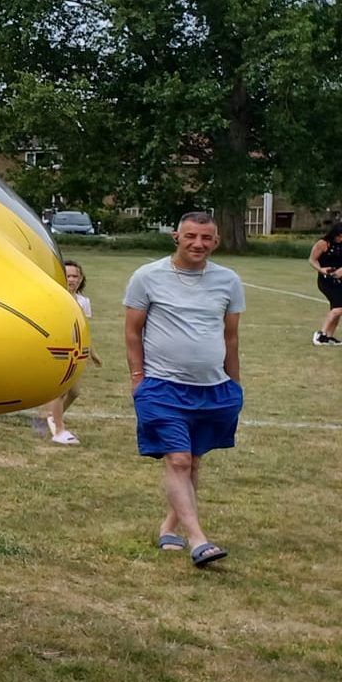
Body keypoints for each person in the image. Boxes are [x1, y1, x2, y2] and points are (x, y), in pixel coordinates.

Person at [122, 212, 245, 567]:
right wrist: (137, 378)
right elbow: (132, 332)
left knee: (193, 461)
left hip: (214, 389)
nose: (198, 244)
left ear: (216, 241)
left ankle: (169, 526)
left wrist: (234, 385)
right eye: (191, 236)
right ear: (176, 236)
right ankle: (198, 540)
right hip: (161, 386)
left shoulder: (228, 281)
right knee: (178, 459)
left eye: (206, 238)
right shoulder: (147, 277)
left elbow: (231, 336)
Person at [42, 259, 102, 444]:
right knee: (60, 392)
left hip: (75, 353)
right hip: (57, 351)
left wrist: (92, 353)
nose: (72, 279)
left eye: (75, 276)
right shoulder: (54, 298)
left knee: (74, 392)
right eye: (68, 276)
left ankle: (52, 417)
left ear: (81, 278)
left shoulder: (84, 302)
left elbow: (84, 329)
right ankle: (59, 431)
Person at [309, 220, 342, 345]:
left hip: (340, 279)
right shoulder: (323, 243)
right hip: (327, 280)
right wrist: (321, 269)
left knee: (337, 308)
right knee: (339, 308)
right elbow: (312, 260)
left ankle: (329, 336)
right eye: (340, 236)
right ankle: (321, 334)